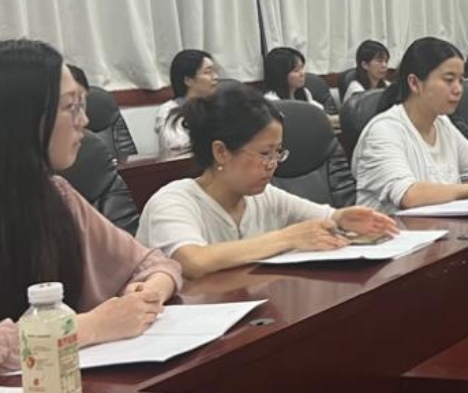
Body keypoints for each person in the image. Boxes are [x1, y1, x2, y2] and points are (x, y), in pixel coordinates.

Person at [0, 39, 183, 383]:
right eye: (71, 106)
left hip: (59, 388)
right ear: (20, 119)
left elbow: (151, 263)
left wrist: (149, 294)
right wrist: (92, 326)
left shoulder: (55, 193)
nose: (85, 121)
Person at [138, 87, 396, 278]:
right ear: (221, 152)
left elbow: (326, 217)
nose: (273, 164)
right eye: (264, 153)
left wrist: (343, 218)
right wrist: (287, 238)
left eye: (277, 152)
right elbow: (194, 261)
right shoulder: (173, 201)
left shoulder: (263, 197)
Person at [352, 37, 468, 213]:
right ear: (414, 83)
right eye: (449, 80)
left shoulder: (442, 123)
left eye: (461, 80)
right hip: (394, 229)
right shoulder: (384, 131)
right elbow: (409, 195)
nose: (458, 89)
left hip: (443, 226)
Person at [154, 50, 220, 154]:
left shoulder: (218, 105)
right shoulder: (168, 110)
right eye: (208, 72)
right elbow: (178, 146)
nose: (216, 77)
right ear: (188, 80)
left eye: (215, 71)